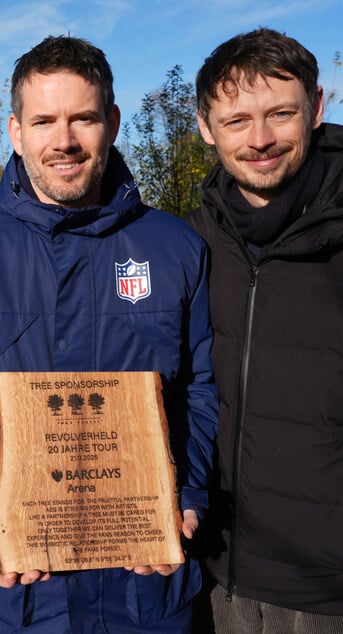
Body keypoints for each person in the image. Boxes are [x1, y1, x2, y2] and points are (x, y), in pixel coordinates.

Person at [0, 36, 218, 632]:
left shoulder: (176, 248)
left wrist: (184, 487)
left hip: (145, 589)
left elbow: (201, 388)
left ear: (113, 122)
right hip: (13, 595)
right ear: (14, 130)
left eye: (84, 118)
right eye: (44, 120)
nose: (65, 140)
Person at [190, 28, 343, 630]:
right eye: (236, 121)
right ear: (205, 126)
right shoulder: (190, 243)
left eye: (281, 113)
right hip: (208, 571)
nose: (260, 140)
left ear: (318, 108)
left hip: (325, 592)